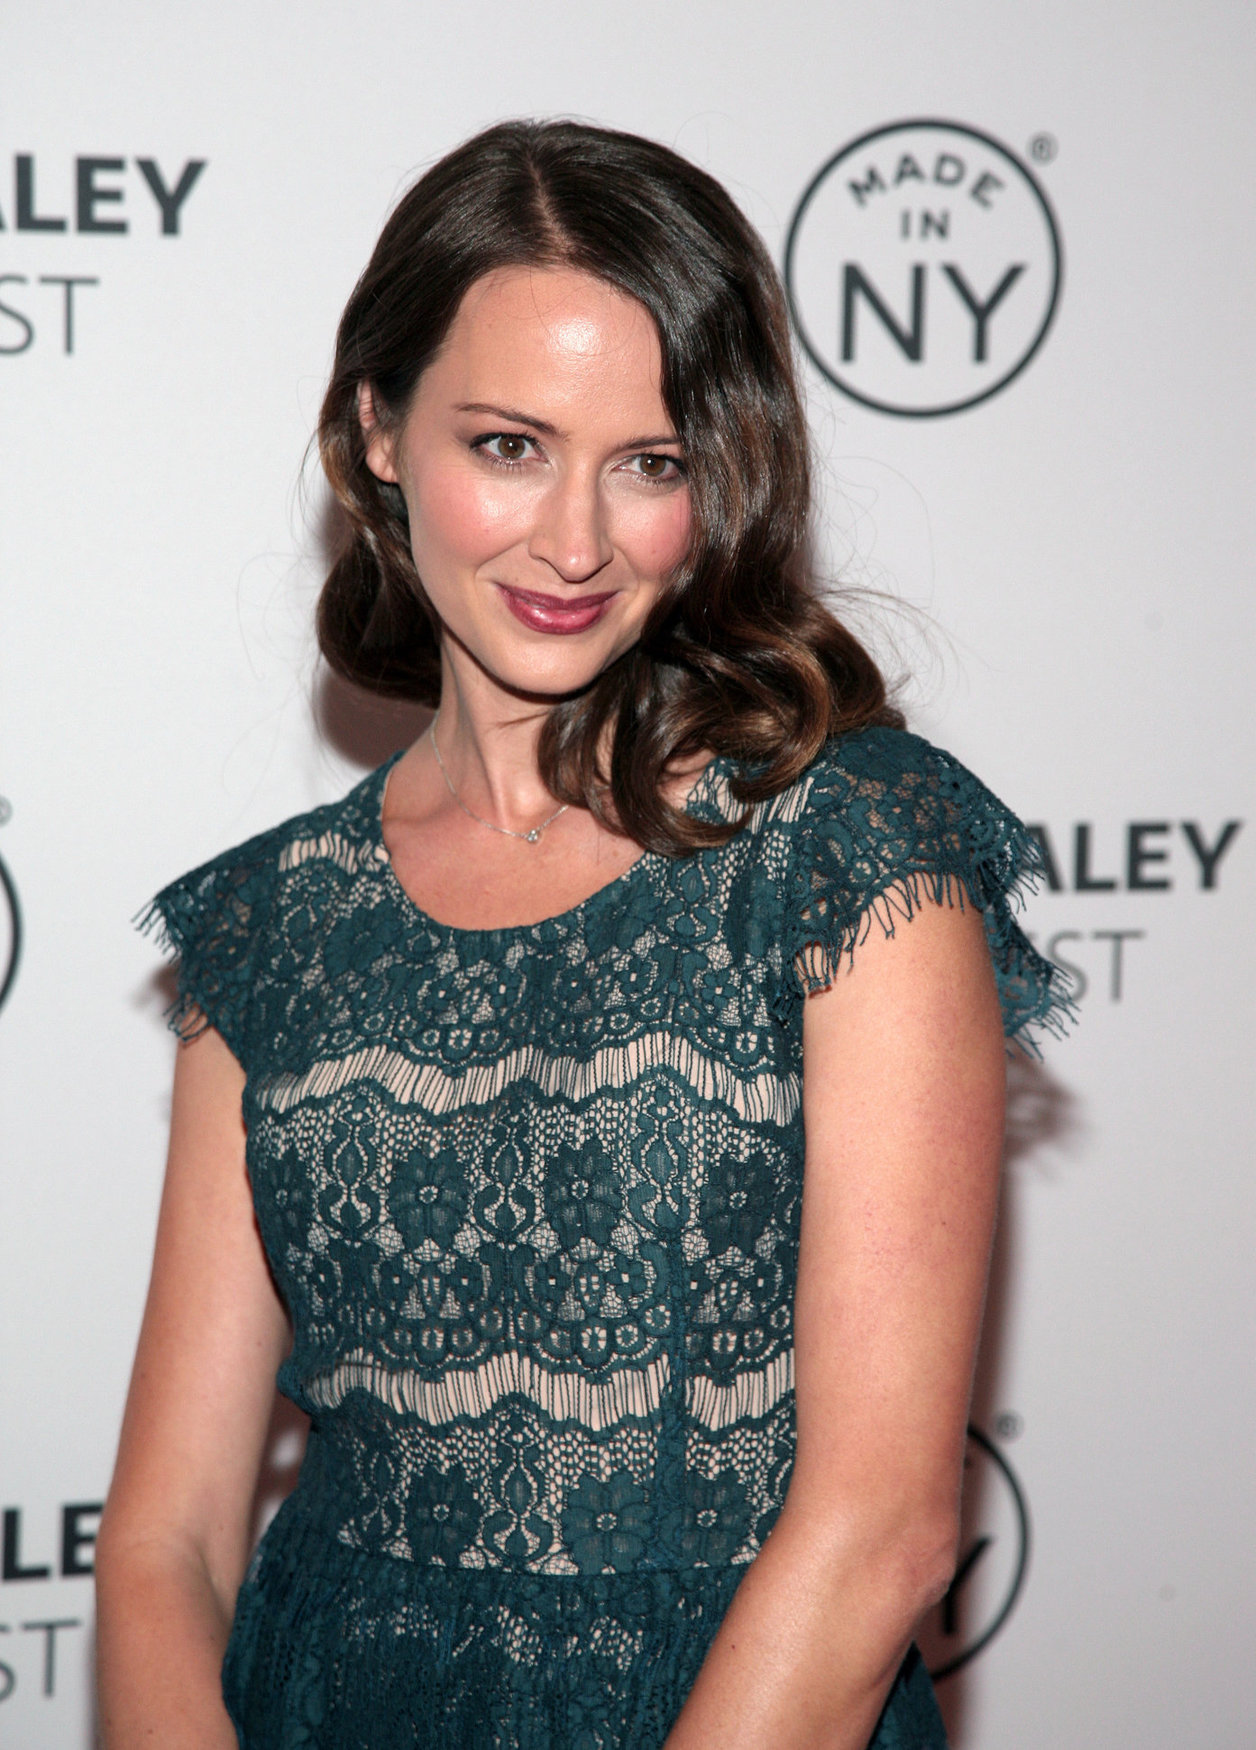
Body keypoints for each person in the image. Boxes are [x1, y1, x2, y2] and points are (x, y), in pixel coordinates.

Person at [95, 118, 1069, 1749]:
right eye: (508, 443)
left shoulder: (844, 853)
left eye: (652, 462)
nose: (574, 541)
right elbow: (165, 1538)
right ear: (378, 433)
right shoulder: (275, 927)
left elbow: (885, 1530)